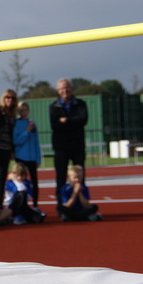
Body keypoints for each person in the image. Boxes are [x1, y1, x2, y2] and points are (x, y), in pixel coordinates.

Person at [50, 78, 88, 207]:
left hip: (77, 146)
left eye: (67, 88)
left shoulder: (80, 104)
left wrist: (66, 121)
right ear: (58, 91)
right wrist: (73, 122)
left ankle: (81, 204)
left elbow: (83, 120)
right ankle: (62, 206)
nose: (64, 90)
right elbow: (55, 126)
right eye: (62, 88)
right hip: (61, 147)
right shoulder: (53, 107)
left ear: (71, 89)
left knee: (80, 177)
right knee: (60, 178)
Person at [13, 101, 42, 208]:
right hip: (21, 156)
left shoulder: (32, 123)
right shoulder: (16, 124)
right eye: (21, 110)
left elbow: (36, 141)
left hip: (32, 157)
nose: (23, 112)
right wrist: (26, 132)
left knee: (34, 182)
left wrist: (38, 158)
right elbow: (16, 140)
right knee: (20, 181)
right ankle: (20, 204)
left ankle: (35, 205)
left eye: (25, 110)